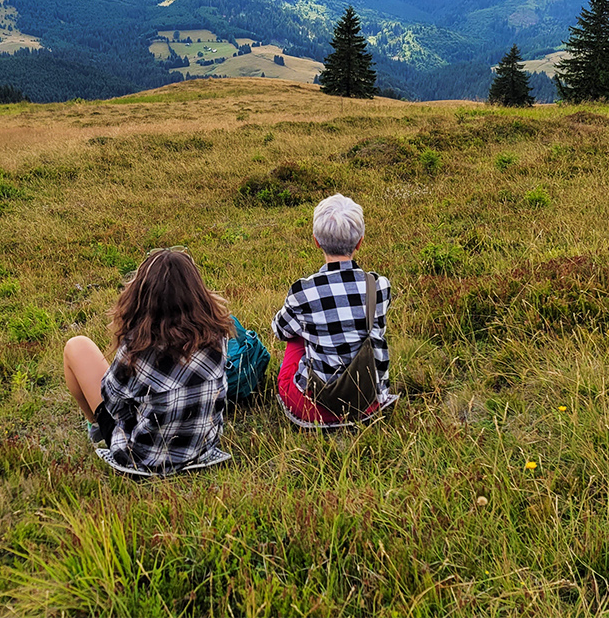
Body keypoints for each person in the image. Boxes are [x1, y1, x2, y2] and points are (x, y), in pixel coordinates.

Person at [63, 248, 235, 476]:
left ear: (141, 295)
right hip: (201, 448)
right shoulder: (216, 335)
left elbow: (111, 399)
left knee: (77, 346)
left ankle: (95, 426)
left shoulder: (137, 348)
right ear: (197, 292)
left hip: (141, 458)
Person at [272, 194, 398, 427]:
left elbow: (280, 332)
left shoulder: (303, 291)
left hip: (315, 407)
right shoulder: (379, 285)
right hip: (368, 400)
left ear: (316, 241)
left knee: (295, 334)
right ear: (360, 241)